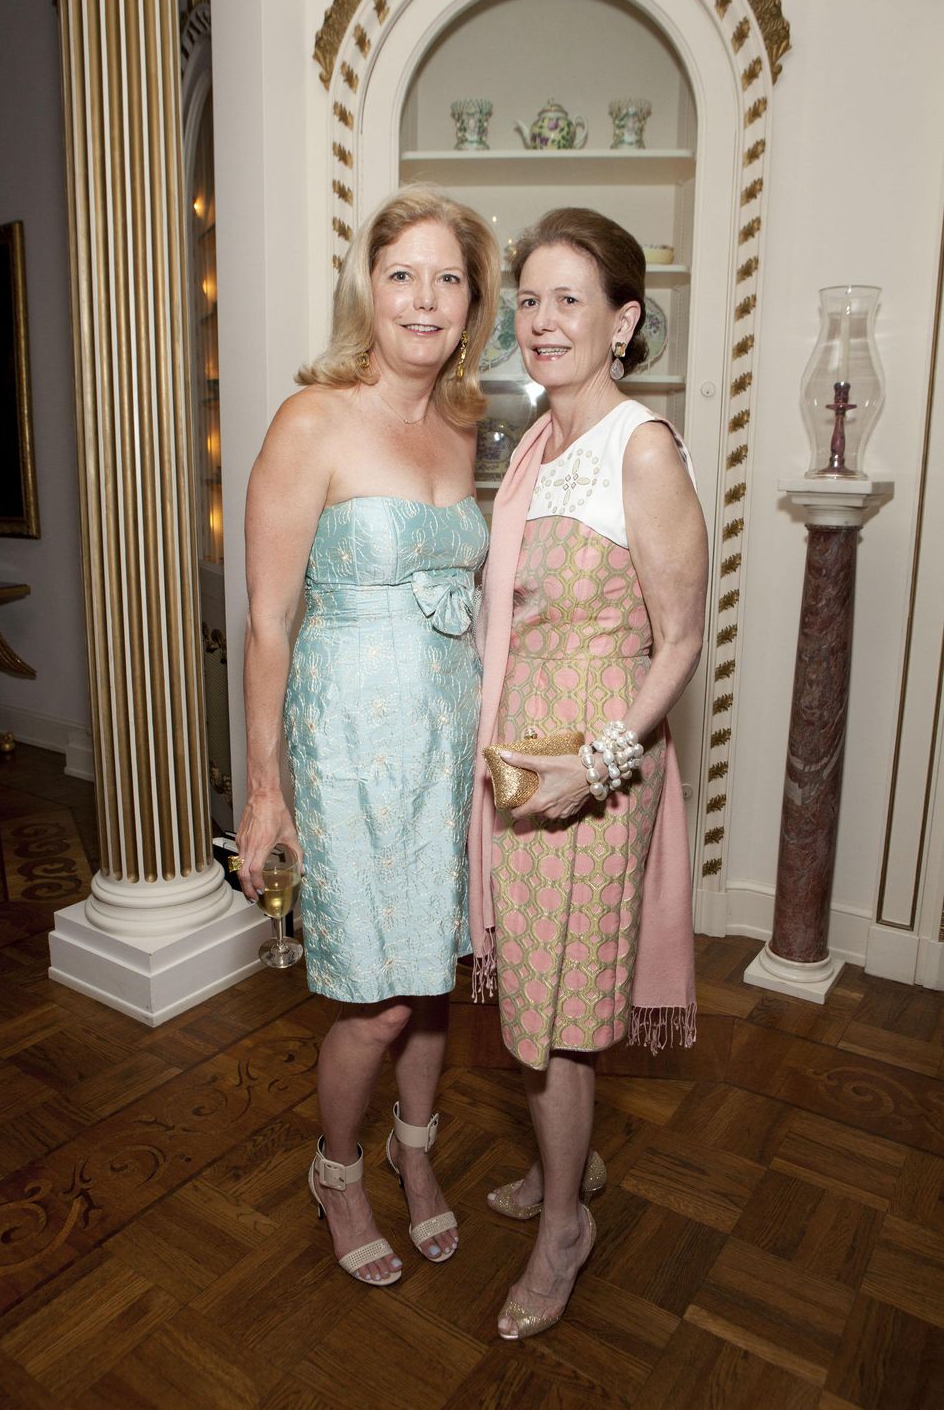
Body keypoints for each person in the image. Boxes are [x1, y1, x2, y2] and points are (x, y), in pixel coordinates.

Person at [236, 185, 500, 1287]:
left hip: (446, 740)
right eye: (403, 275)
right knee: (377, 1000)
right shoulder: (312, 418)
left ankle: (415, 1151)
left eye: (448, 278)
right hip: (345, 743)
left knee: (433, 978)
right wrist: (265, 793)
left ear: (473, 302)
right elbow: (267, 620)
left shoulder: (464, 421)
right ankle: (337, 1169)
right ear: (369, 290)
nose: (424, 298)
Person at [468, 207, 707, 1338]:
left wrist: (596, 769)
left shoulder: (638, 447)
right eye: (528, 300)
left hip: (595, 773)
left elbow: (681, 641)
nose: (542, 320)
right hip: (527, 766)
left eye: (570, 299)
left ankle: (564, 1226)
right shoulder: (540, 441)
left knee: (558, 1012)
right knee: (536, 991)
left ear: (622, 320)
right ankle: (566, 1165)